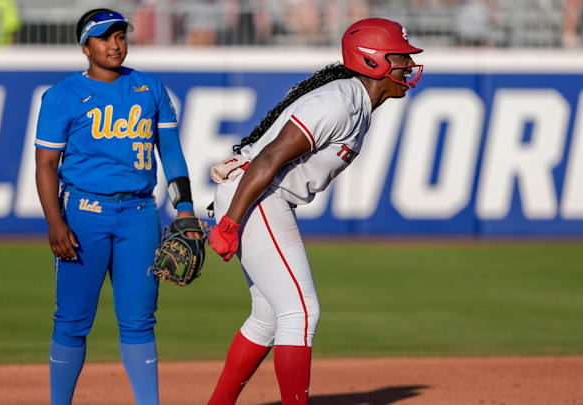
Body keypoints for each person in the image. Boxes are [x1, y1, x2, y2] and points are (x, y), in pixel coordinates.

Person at [206, 17, 424, 405]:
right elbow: (268, 159)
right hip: (257, 195)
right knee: (301, 312)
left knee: (269, 317)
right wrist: (230, 222)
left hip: (264, 195)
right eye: (400, 57)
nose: (408, 65)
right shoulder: (339, 102)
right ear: (373, 62)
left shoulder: (354, 102)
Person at [34, 8, 197, 405]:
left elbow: (171, 153)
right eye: (105, 37)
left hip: (140, 214)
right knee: (72, 320)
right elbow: (45, 165)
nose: (115, 44)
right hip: (84, 214)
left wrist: (185, 208)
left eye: (120, 36)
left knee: (140, 320)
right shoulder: (62, 96)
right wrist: (55, 223)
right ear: (85, 47)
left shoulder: (149, 88)